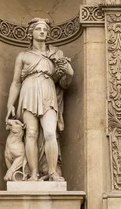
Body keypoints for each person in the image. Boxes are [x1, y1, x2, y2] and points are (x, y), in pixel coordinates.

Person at [6, 18, 73, 181]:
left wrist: (66, 71)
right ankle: (33, 173)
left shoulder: (55, 54)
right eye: (38, 29)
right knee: (31, 133)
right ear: (31, 33)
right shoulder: (23, 56)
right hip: (28, 91)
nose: (42, 31)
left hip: (48, 90)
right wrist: (10, 104)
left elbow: (64, 82)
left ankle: (52, 172)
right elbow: (16, 82)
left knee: (50, 132)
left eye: (45, 29)